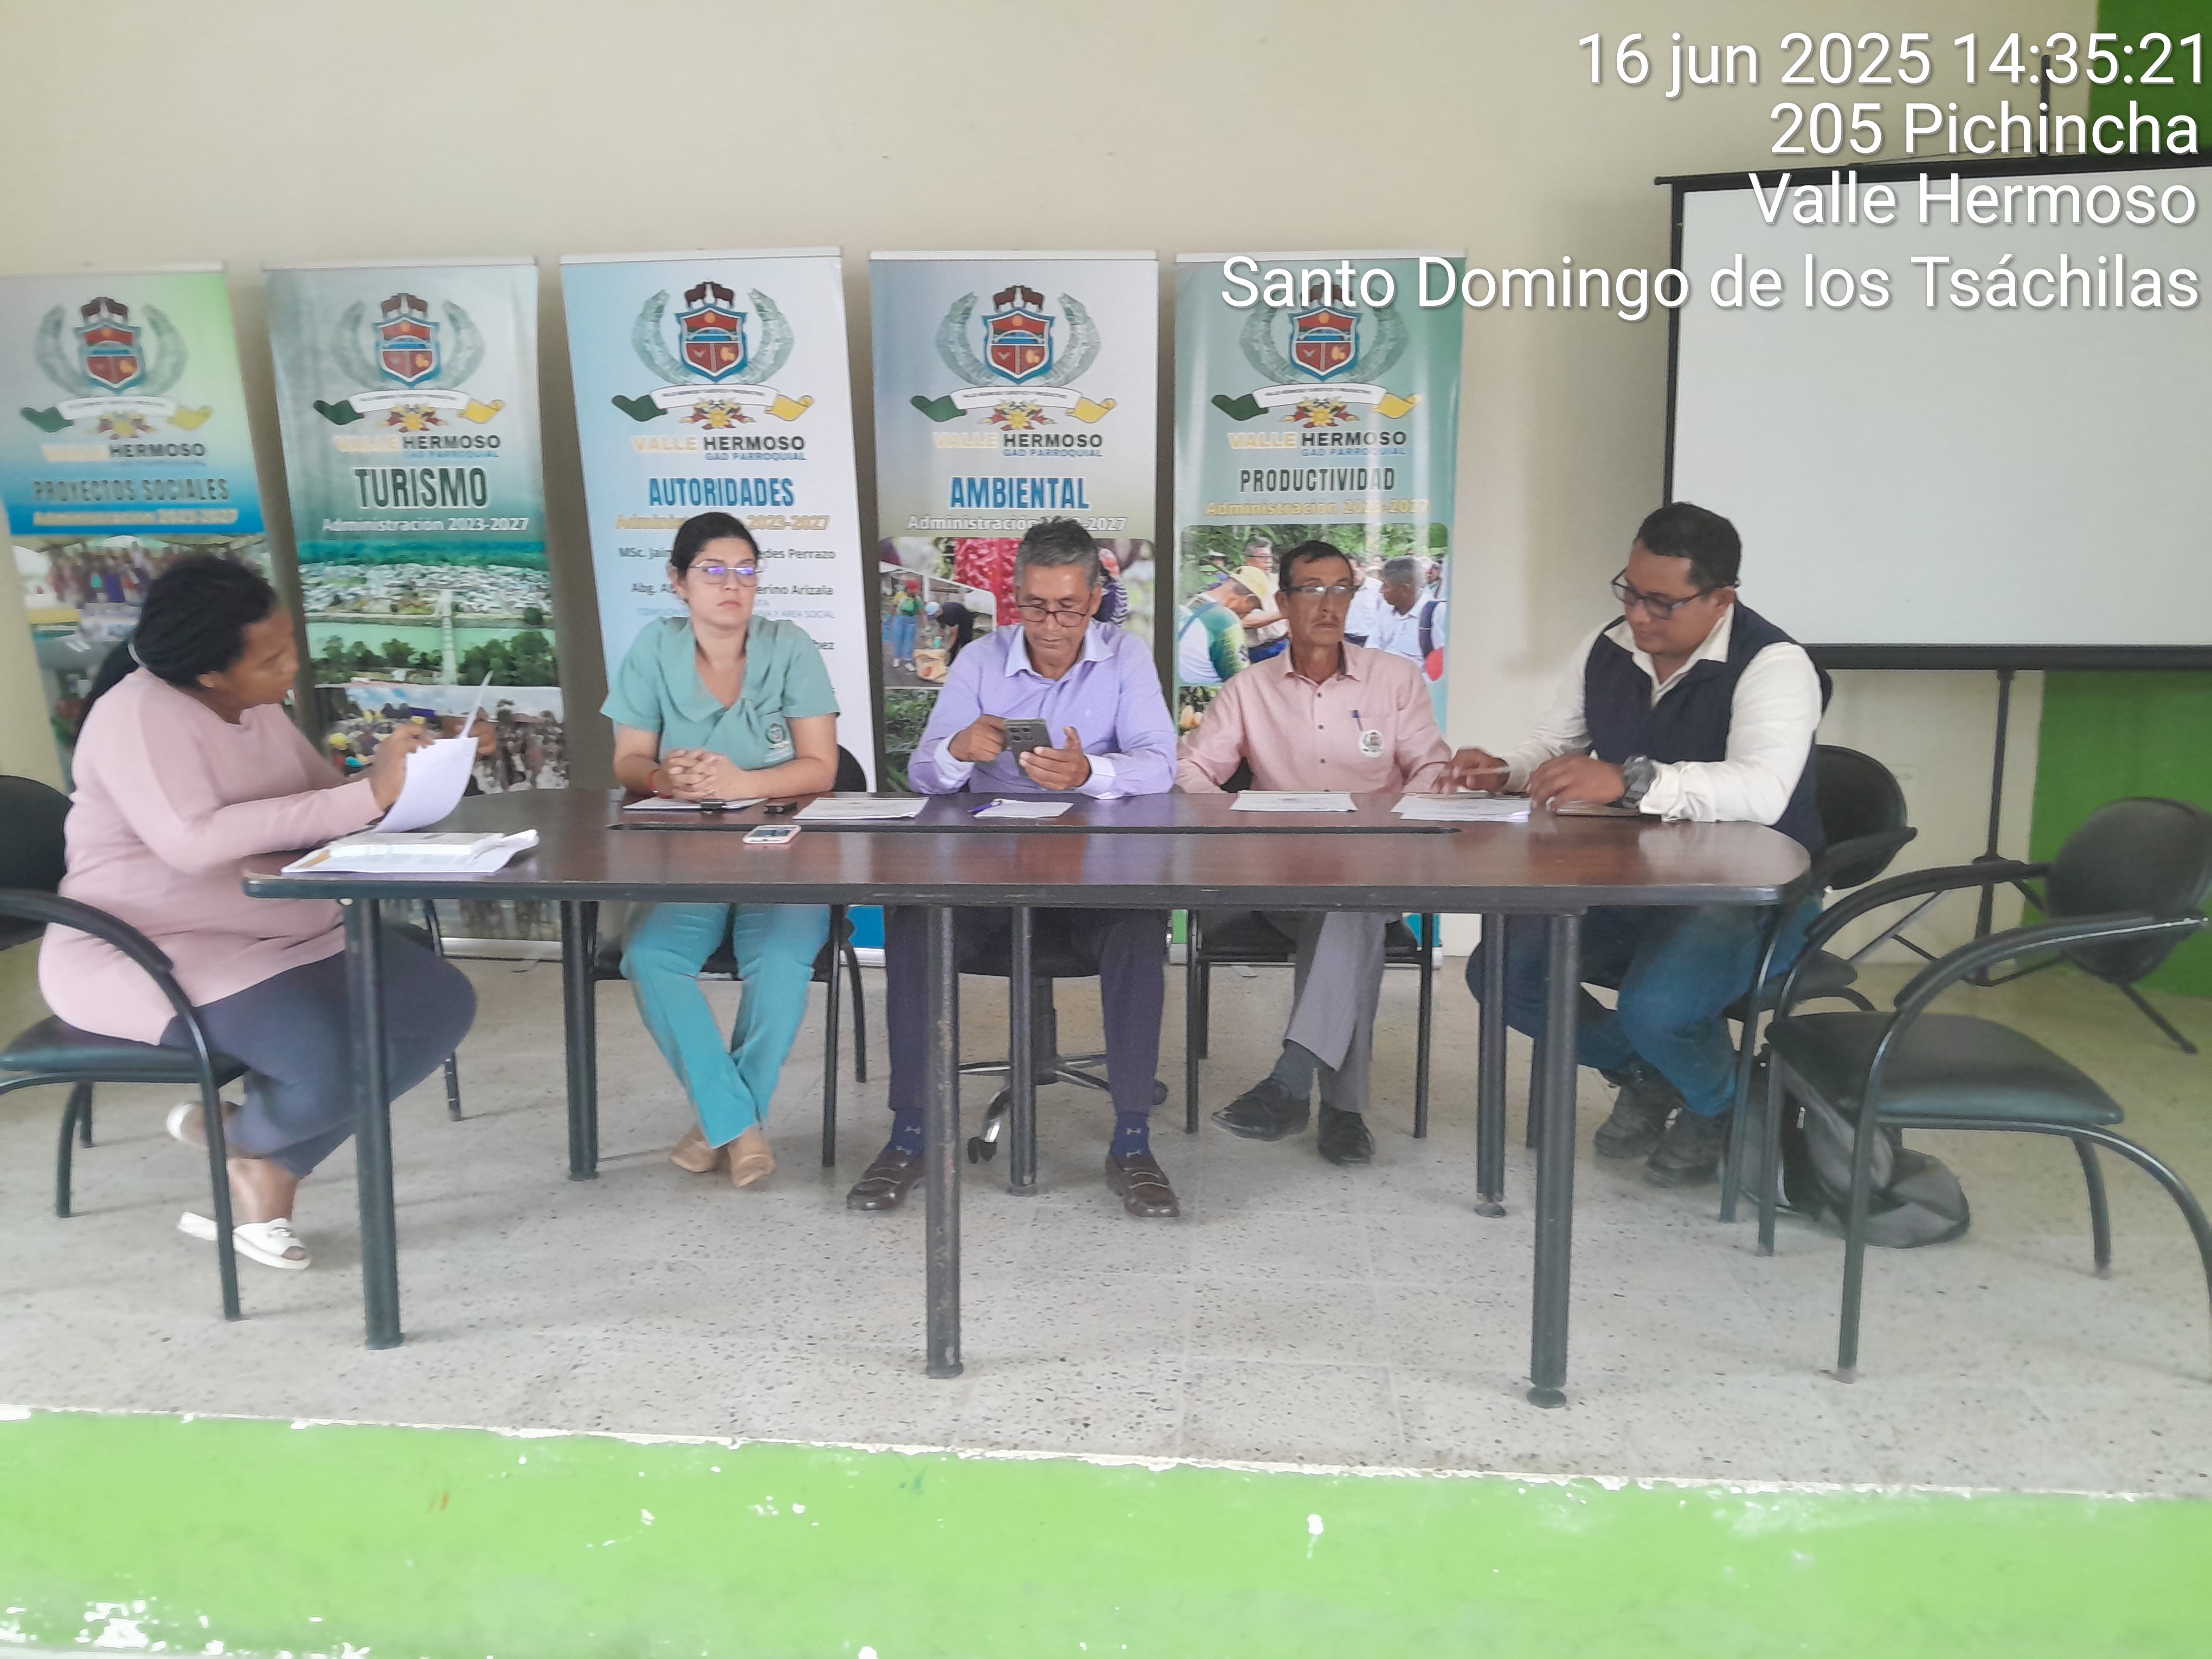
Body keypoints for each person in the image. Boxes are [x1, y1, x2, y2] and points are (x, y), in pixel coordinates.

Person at [39, 556, 477, 1272]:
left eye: (289, 645)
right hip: (152, 948)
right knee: (328, 1068)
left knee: (439, 1005)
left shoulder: (255, 705)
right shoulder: (137, 716)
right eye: (272, 660)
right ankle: (252, 1151)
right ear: (211, 673)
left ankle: (257, 1153)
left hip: (281, 924)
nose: (292, 668)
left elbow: (321, 799)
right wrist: (364, 797)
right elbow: (191, 841)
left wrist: (405, 771)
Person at [1446, 501, 1826, 1188]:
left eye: (1662, 603)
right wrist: (1506, 770)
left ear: (1721, 599)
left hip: (1747, 895)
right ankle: (1654, 1073)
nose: (1639, 617)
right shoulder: (1609, 645)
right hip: (1633, 881)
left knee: (1656, 1008)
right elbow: (1557, 744)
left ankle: (1723, 1104)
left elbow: (1761, 792)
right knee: (1502, 971)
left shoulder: (1774, 664)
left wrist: (1630, 779)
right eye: (1629, 591)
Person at [848, 517, 1182, 1219]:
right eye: (1035, 607)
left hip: (1095, 873)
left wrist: (1091, 772)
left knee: (1139, 926)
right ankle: (910, 1134)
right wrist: (958, 750)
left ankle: (1132, 1141)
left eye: (1068, 608)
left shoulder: (1125, 659)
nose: (1050, 626)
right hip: (988, 871)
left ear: (1095, 600)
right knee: (912, 921)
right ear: (1015, 597)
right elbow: (923, 773)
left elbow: (1160, 766)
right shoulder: (980, 661)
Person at [1179, 542, 1450, 1167]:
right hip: (1281, 878)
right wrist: (1241, 817)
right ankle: (1340, 1110)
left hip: (1374, 869)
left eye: (1341, 590)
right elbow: (1191, 770)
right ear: (1283, 601)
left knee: (1353, 899)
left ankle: (1292, 1082)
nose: (1328, 605)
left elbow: (1433, 767)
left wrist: (1390, 825)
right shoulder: (1249, 690)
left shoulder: (1395, 679)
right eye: (1312, 590)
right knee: (1348, 912)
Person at [606, 511, 841, 1190]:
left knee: (781, 958)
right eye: (713, 570)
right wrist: (663, 779)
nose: (732, 584)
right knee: (650, 957)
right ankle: (739, 1124)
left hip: (786, 852)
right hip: (691, 853)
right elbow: (628, 760)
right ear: (678, 581)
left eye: (746, 571)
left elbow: (822, 767)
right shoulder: (655, 648)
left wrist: (746, 784)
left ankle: (722, 1122)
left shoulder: (789, 646)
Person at [1175, 563, 1277, 687]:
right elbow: (1241, 683)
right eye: (1253, 608)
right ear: (1249, 599)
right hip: (1198, 696)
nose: (1250, 613)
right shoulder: (1225, 620)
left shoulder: (1188, 604)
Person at [1366, 557, 1433, 664]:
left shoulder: (1434, 615)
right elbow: (1372, 646)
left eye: (1386, 586)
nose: (1381, 591)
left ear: (1405, 589)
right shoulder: (1386, 608)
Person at [1237, 536, 1290, 663]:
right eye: (1263, 557)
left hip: (1282, 644)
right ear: (1249, 561)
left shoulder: (1278, 581)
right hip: (1255, 651)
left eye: (1270, 557)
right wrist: (1282, 615)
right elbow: (1244, 622)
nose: (1268, 562)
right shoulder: (1240, 585)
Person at [888, 578, 922, 671]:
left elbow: (922, 612)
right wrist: (889, 618)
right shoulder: (900, 596)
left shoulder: (917, 599)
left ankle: (908, 661)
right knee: (898, 638)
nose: (913, 592)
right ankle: (896, 658)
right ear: (908, 589)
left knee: (909, 640)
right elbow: (893, 607)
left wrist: (927, 625)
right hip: (899, 619)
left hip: (911, 621)